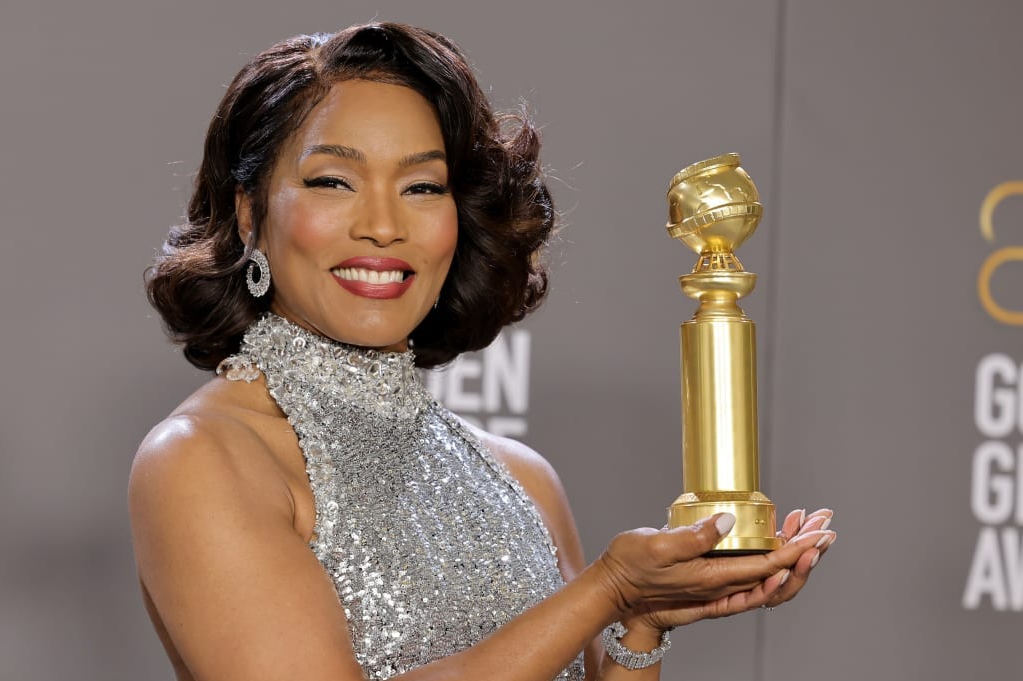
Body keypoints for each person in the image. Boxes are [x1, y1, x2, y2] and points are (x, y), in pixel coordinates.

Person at [130, 22, 835, 681]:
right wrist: (605, 589)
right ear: (251, 212)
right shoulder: (201, 459)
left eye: (421, 187)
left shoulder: (524, 480)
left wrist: (641, 617)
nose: (382, 225)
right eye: (334, 182)